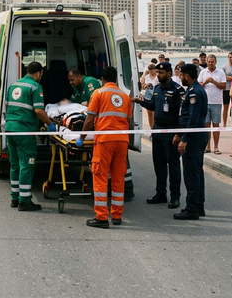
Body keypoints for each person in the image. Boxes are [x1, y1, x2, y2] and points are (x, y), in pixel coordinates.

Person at [78, 66, 132, 228]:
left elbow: (89, 118)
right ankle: (116, 215)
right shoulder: (125, 96)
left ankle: (101, 217)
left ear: (102, 79)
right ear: (115, 79)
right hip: (122, 141)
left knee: (100, 176)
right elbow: (128, 119)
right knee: (117, 177)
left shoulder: (98, 93)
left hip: (105, 140)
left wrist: (82, 136)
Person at [5, 61, 55, 211]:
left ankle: (14, 198)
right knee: (27, 164)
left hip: (9, 128)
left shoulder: (14, 85)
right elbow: (39, 111)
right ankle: (25, 201)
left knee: (14, 164)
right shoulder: (35, 87)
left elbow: (8, 106)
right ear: (38, 73)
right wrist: (49, 124)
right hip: (24, 131)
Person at [136, 62, 184, 210]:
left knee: (173, 165)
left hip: (170, 131)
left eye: (161, 73)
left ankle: (175, 196)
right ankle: (160, 194)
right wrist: (141, 102)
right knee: (159, 164)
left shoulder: (178, 90)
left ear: (169, 73)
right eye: (157, 72)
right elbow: (153, 106)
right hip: (157, 130)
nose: (158, 75)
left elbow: (182, 114)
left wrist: (179, 134)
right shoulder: (156, 88)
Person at [174, 64, 208, 220]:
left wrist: (184, 139)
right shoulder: (194, 90)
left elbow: (192, 120)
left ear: (187, 76)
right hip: (195, 135)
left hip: (194, 137)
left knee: (191, 173)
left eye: (181, 75)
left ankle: (192, 208)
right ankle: (198, 206)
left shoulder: (195, 92)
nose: (180, 78)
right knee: (197, 172)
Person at [198, 54, 226, 154]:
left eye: (212, 62)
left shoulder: (220, 72)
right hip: (205, 103)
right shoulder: (203, 72)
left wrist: (214, 82)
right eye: (209, 61)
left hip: (217, 102)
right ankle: (207, 146)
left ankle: (216, 147)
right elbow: (199, 86)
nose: (210, 63)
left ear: (215, 62)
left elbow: (223, 86)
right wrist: (205, 82)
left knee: (216, 125)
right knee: (206, 125)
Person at [141, 64, 158, 128]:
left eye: (152, 70)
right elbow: (143, 87)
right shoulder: (146, 77)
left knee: (154, 114)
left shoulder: (157, 77)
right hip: (148, 96)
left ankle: (154, 128)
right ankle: (151, 128)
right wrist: (146, 85)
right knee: (149, 114)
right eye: (150, 70)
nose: (151, 72)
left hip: (155, 96)